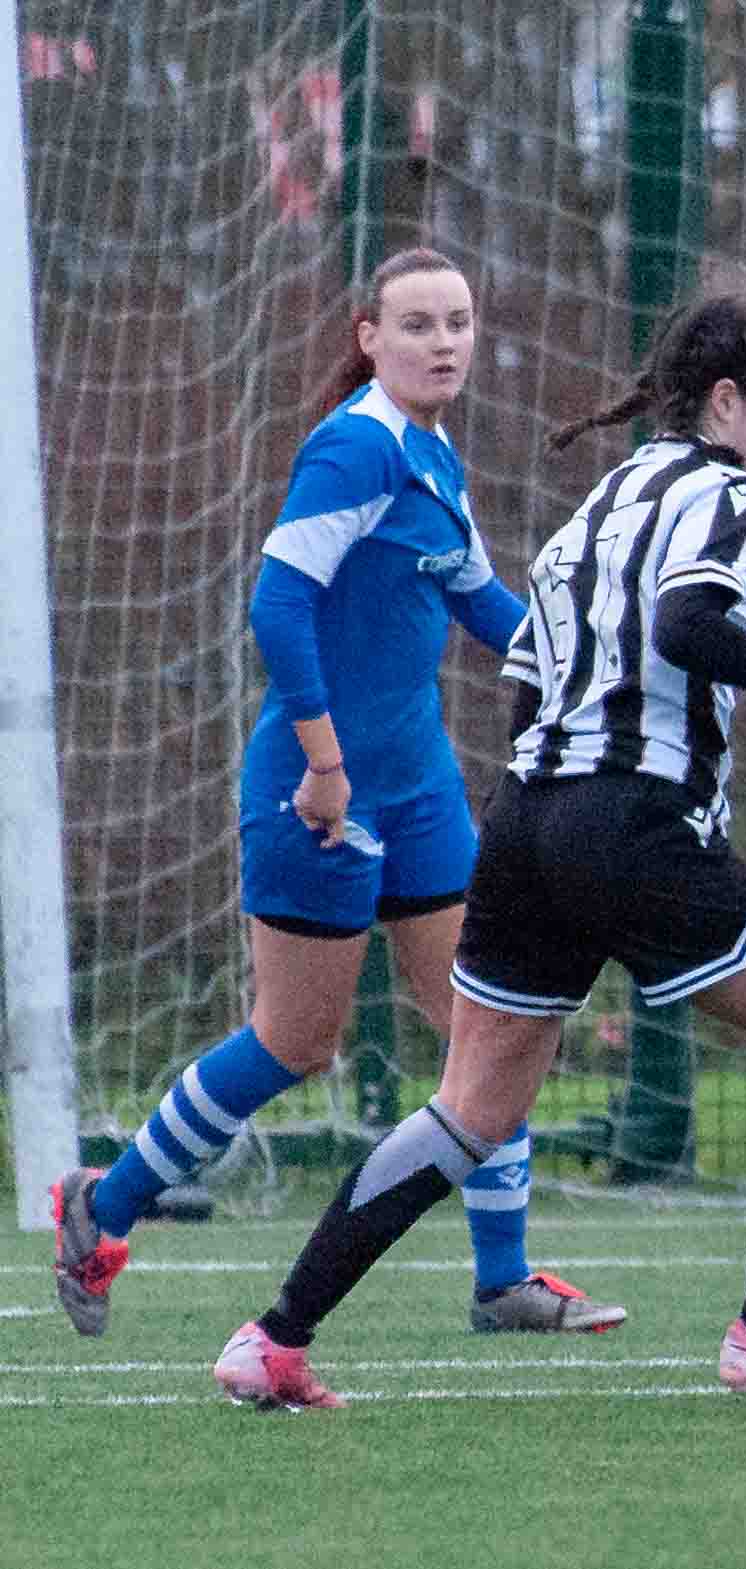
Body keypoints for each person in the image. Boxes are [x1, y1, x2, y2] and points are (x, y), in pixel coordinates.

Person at [209, 291, 746, 1408]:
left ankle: (274, 1339)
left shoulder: (612, 491)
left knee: (471, 1108)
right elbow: (690, 626)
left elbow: (531, 667)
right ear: (728, 402)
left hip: (528, 815)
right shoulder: (729, 494)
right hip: (629, 823)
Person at [48, 247, 625, 1341]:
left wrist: (589, 658)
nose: (444, 342)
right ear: (369, 335)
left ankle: (502, 1280)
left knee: (483, 1028)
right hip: (318, 792)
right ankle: (101, 1205)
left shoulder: (432, 454)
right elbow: (278, 607)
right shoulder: (355, 448)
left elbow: (481, 603)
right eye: (417, 324)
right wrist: (322, 764)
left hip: (419, 794)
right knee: (292, 1042)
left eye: (458, 321)